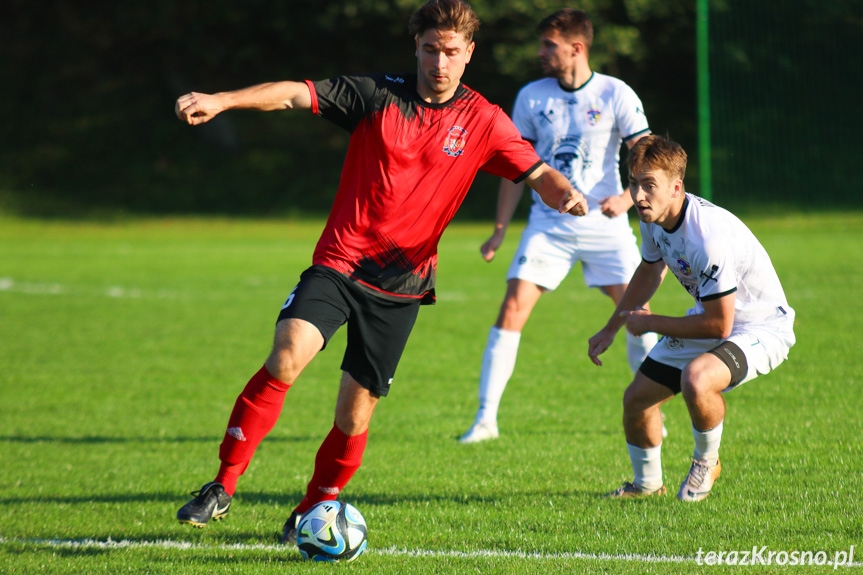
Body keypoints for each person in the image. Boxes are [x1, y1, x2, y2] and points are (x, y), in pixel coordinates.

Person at [172, 0, 589, 543]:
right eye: (431, 49)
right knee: (285, 355)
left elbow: (535, 172)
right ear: (416, 48)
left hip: (401, 285)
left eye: (452, 52)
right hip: (340, 263)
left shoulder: (484, 120)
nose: (440, 62)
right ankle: (222, 485)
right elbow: (296, 94)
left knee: (355, 414)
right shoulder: (377, 95)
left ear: (469, 56)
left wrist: (567, 195)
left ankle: (315, 508)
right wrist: (222, 100)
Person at [459, 8, 660, 444]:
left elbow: (648, 155)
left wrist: (627, 197)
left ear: (576, 48)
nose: (540, 52)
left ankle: (652, 410)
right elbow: (517, 167)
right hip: (548, 225)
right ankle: (485, 420)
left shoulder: (614, 93)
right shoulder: (531, 96)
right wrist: (498, 230)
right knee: (512, 307)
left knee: (636, 316)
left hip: (606, 227)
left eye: (548, 45)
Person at [589, 135, 795, 501]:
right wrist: (611, 327)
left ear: (676, 187)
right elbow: (651, 272)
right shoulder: (653, 217)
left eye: (648, 185)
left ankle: (707, 461)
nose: (637, 196)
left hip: (763, 327)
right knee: (637, 399)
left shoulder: (706, 237)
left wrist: (651, 322)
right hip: (716, 316)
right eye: (633, 183)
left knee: (697, 379)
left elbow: (720, 327)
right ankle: (646, 486)